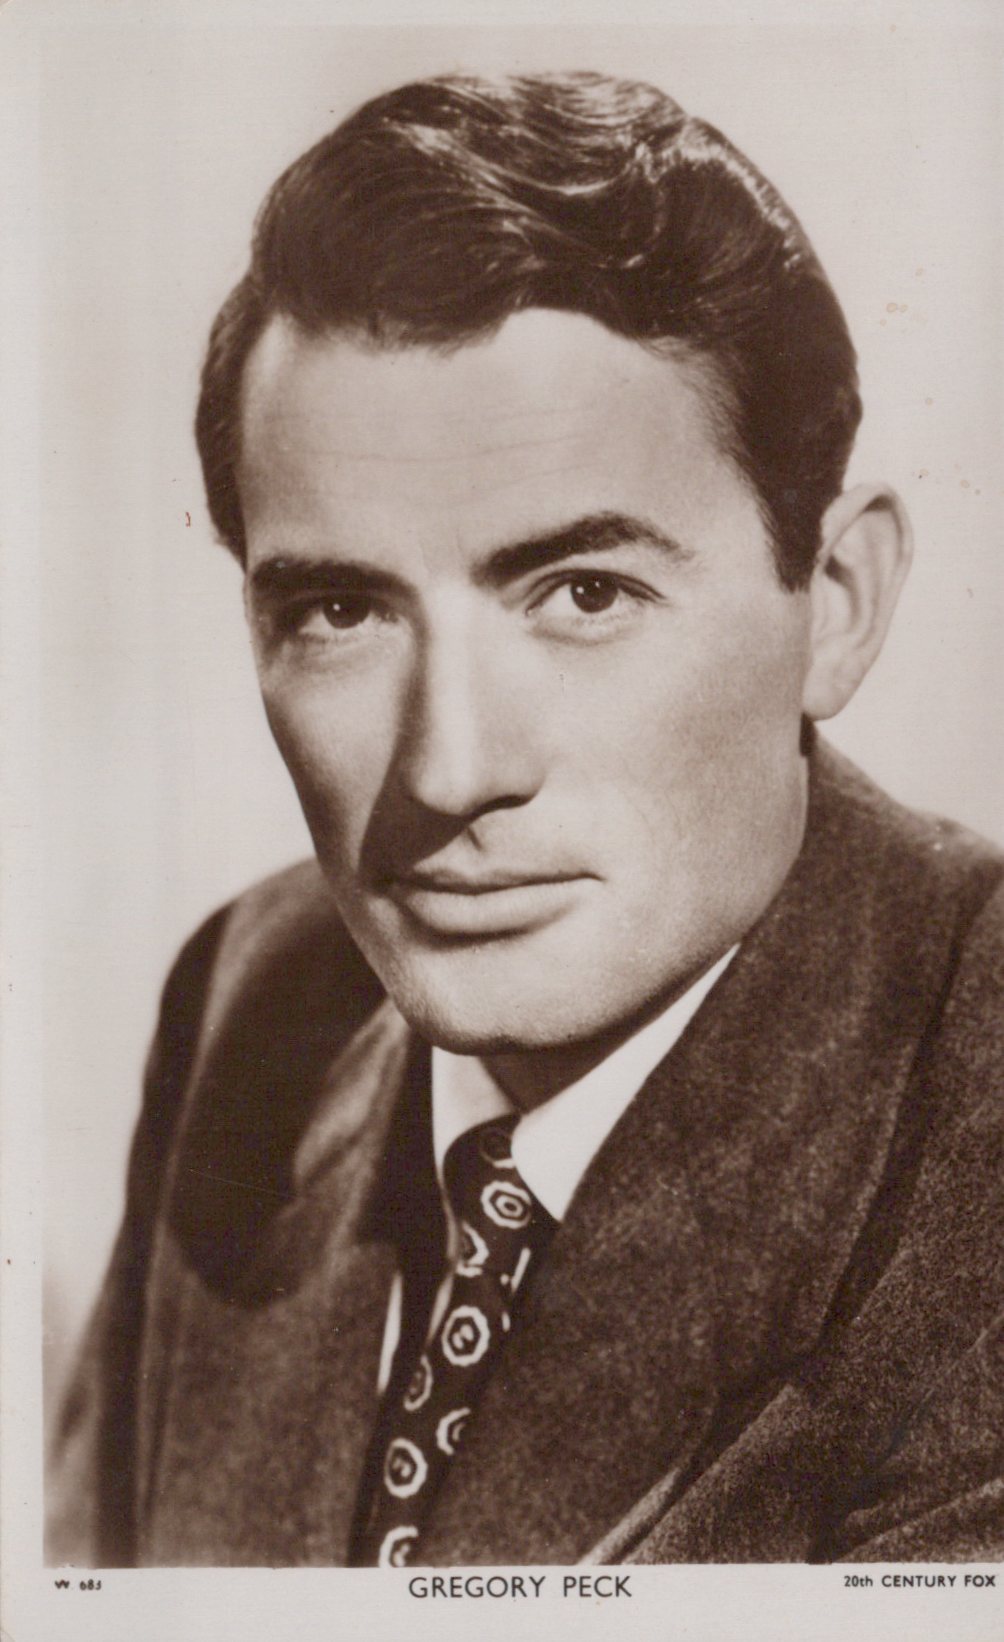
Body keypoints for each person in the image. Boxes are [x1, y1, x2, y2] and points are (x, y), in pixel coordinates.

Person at [49, 70, 1003, 1569]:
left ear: (836, 601)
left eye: (582, 593)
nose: (446, 769)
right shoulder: (253, 999)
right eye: (341, 608)